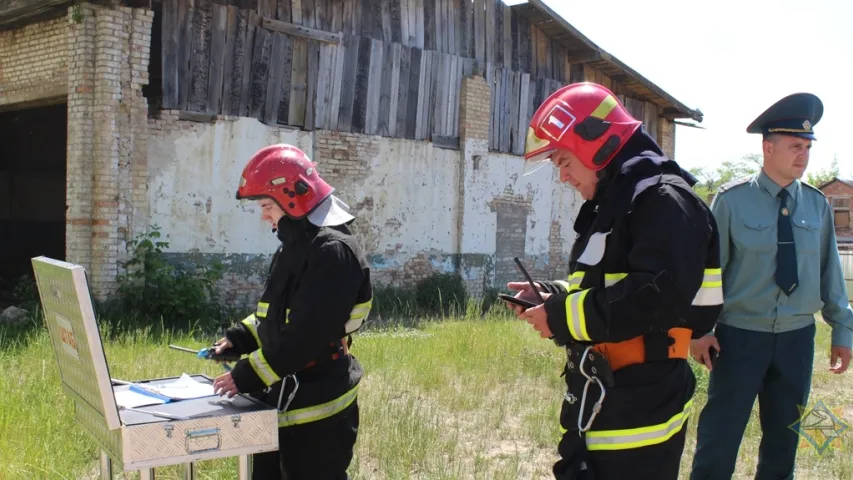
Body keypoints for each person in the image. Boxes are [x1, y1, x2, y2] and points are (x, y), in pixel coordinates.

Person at [507, 82, 724, 480]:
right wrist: (553, 295)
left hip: (641, 408)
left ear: (597, 143)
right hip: (604, 395)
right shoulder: (618, 205)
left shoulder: (665, 202)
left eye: (563, 161)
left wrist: (560, 317)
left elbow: (653, 300)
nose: (563, 177)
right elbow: (610, 285)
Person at [689, 93, 853, 480]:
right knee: (720, 436)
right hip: (739, 338)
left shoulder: (816, 205)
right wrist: (700, 330)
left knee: (785, 438)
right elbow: (709, 273)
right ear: (767, 147)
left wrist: (842, 330)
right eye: (795, 146)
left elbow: (830, 273)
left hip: (797, 339)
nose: (804, 154)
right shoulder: (731, 201)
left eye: (808, 147)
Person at [210, 144, 373, 480]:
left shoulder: (332, 252)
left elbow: (306, 335)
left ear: (293, 199)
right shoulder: (296, 246)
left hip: (317, 411)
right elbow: (276, 314)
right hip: (281, 401)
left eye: (268, 206)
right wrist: (238, 339)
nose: (264, 215)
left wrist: (244, 375)